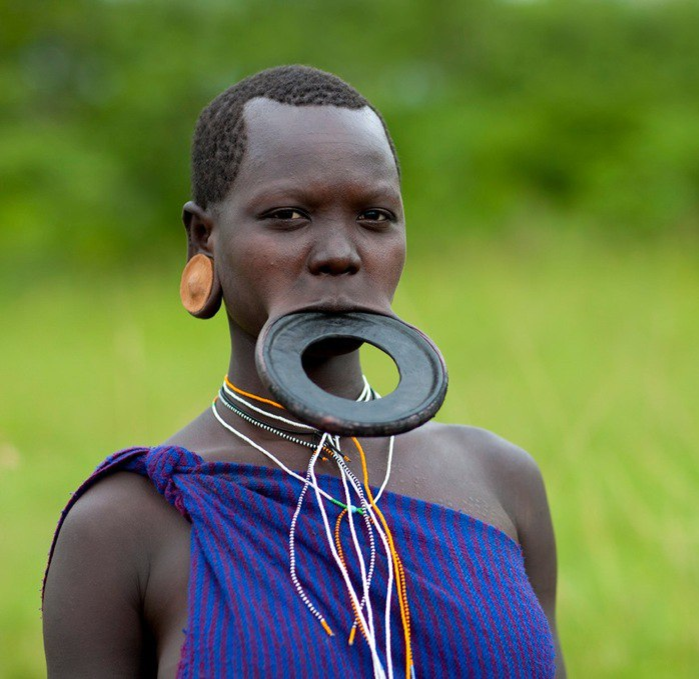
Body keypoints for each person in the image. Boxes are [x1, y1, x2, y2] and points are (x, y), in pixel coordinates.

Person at [42, 65, 563, 678]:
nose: (340, 253)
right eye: (289, 216)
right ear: (203, 238)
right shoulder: (125, 525)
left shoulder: (501, 482)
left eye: (375, 217)